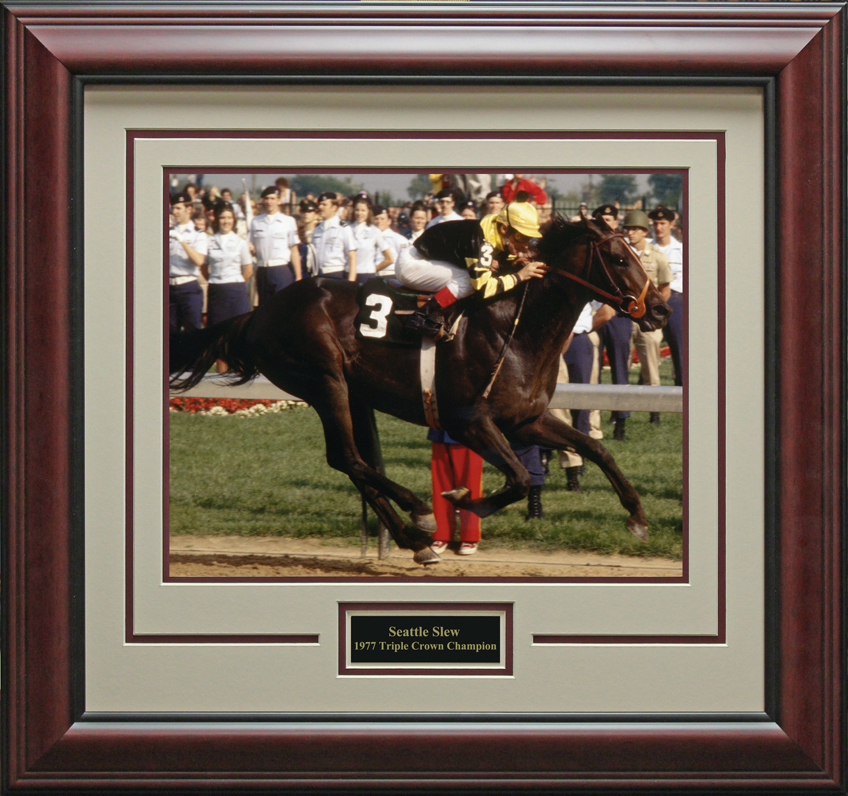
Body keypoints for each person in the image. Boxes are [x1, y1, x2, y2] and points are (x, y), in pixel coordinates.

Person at [395, 193, 549, 339]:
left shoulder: (494, 228)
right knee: (470, 283)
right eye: (521, 237)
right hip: (412, 264)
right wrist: (519, 276)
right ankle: (421, 316)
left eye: (529, 238)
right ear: (504, 228)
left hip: (426, 258)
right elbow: (483, 289)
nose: (526, 245)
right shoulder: (482, 243)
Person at [623, 209, 672, 424]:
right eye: (628, 229)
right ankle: (620, 412)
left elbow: (664, 290)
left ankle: (655, 411)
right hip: (625, 317)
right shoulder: (621, 254)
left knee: (650, 365)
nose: (630, 233)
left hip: (648, 320)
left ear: (644, 231)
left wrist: (652, 315)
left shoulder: (657, 257)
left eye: (635, 229)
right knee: (622, 365)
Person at [593, 203, 631, 440]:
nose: (607, 223)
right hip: (593, 317)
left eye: (610, 219)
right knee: (592, 374)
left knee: (619, 369)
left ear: (617, 223)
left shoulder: (624, 251)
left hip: (617, 316)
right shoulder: (592, 251)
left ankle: (621, 420)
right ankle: (590, 422)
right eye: (601, 220)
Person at [202, 202, 253, 371]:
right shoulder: (209, 241)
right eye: (223, 217)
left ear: (234, 220)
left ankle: (242, 378)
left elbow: (248, 270)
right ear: (217, 219)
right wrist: (217, 280)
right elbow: (204, 267)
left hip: (236, 292)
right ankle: (221, 383)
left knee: (239, 335)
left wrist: (234, 284)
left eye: (229, 218)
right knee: (219, 339)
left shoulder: (240, 242)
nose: (226, 221)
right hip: (217, 291)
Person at [427, 429, 484, 555]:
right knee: (440, 485)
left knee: (470, 486)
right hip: (440, 431)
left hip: (470, 431)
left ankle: (470, 537)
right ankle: (441, 535)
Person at [247, 186, 302, 305]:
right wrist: (250, 249)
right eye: (266, 198)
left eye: (272, 198)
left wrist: (298, 276)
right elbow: (252, 248)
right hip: (262, 270)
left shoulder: (288, 221)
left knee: (282, 307)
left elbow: (294, 250)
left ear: (279, 200)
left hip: (281, 270)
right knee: (264, 307)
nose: (269, 202)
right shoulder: (255, 221)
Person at [650, 205, 684, 387]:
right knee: (648, 348)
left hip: (676, 301)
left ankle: (682, 390)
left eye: (662, 223)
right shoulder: (648, 249)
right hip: (651, 301)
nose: (658, 228)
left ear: (671, 224)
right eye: (655, 223)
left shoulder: (682, 250)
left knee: (679, 348)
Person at [168, 191, 208, 333]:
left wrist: (181, 240)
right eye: (173, 208)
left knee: (192, 332)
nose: (174, 212)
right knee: (170, 334)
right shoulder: (167, 231)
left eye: (179, 208)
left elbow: (199, 260)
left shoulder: (198, 234)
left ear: (189, 209)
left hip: (188, 287)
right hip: (169, 287)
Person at [311, 191, 357, 280]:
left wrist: (351, 282)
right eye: (320, 204)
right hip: (318, 275)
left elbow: (352, 256)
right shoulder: (317, 230)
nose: (320, 207)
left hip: (336, 275)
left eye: (324, 205)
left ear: (334, 208)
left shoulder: (343, 228)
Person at [349, 197, 393, 285]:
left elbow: (389, 259)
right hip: (348, 274)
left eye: (363, 210)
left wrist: (373, 269)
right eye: (357, 210)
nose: (359, 213)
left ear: (368, 212)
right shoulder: (347, 229)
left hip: (366, 275)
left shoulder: (375, 231)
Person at [372, 204, 409, 276]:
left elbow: (405, 261)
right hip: (371, 275)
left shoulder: (398, 239)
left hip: (389, 275)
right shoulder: (369, 238)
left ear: (389, 221)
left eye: (382, 219)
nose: (379, 221)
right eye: (376, 219)